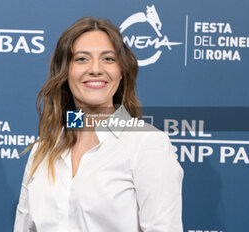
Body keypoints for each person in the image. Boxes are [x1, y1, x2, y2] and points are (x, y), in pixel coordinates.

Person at [14, 16, 183, 232]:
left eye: (108, 59)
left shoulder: (147, 144)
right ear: (65, 72)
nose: (96, 69)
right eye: (82, 59)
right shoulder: (42, 150)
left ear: (121, 72)